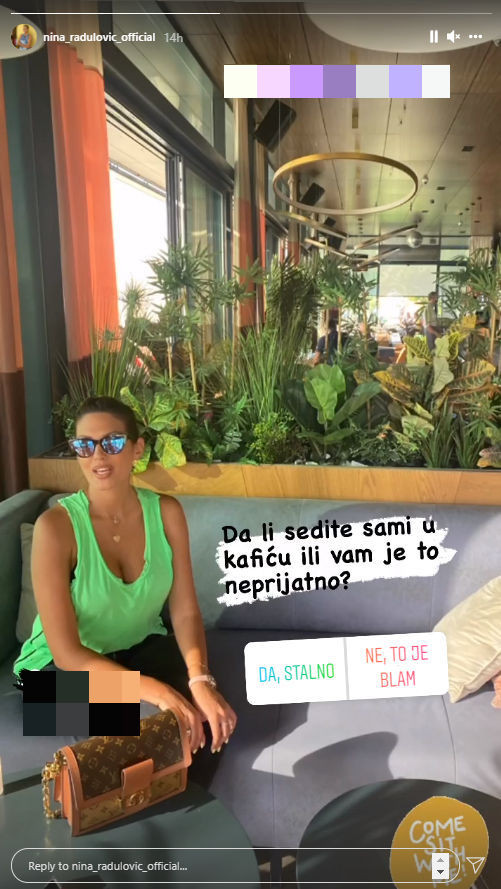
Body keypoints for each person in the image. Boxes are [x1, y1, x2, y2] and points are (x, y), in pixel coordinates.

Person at [13, 396, 236, 756]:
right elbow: (67, 654)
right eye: (85, 445)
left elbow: (184, 611)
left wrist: (199, 678)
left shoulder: (166, 513)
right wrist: (155, 690)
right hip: (53, 677)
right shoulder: (55, 528)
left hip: (137, 650)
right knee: (153, 726)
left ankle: (189, 792)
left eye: (113, 442)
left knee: (208, 716)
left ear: (137, 449)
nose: (98, 456)